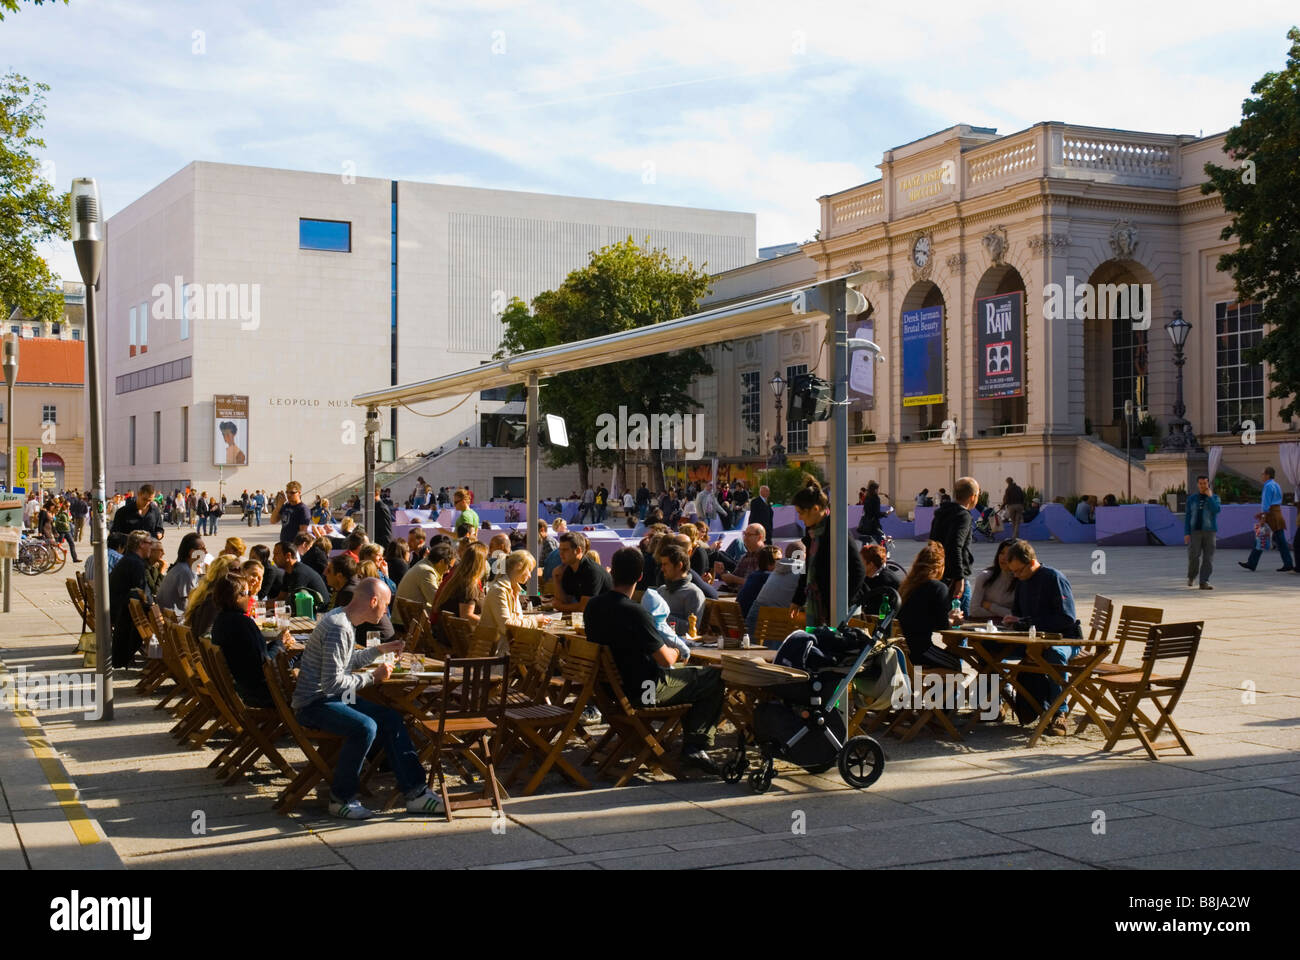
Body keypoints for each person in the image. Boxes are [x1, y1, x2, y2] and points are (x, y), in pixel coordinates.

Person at [291, 579, 442, 819]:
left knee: (390, 717)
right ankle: (340, 799)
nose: (386, 612)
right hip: (315, 703)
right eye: (385, 605)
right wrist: (374, 677)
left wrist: (380, 650)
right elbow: (333, 683)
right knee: (365, 727)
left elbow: (347, 663)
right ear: (373, 601)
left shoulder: (342, 618)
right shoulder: (338, 627)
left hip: (328, 698)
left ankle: (416, 793)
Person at [585, 548, 725, 774]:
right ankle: (695, 746)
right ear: (640, 576)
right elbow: (665, 658)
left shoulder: (593, 607)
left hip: (609, 691)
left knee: (693, 678)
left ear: (613, 573)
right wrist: (677, 652)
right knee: (713, 677)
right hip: (645, 691)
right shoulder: (635, 613)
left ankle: (685, 742)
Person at [1000, 539, 1083, 736]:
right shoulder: (1022, 582)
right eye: (1013, 572)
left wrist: (1027, 621)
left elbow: (1066, 617)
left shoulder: (1053, 578)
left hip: (1065, 639)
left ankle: (1058, 713)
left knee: (1054, 654)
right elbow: (1020, 614)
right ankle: (993, 704)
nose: (1017, 575)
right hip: (1033, 641)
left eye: (1019, 570)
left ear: (1031, 563)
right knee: (991, 651)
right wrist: (1014, 621)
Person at [211, 574, 288, 708]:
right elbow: (265, 665)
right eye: (247, 593)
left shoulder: (220, 621)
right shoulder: (243, 623)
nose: (250, 598)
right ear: (237, 596)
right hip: (261, 693)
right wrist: (280, 643)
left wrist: (277, 643)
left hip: (243, 687)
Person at [896, 541, 964, 669]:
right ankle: (939, 690)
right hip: (921, 650)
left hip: (903, 652)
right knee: (955, 664)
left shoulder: (907, 587)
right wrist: (953, 619)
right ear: (940, 567)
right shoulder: (937, 587)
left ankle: (931, 689)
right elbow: (942, 624)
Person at [480, 550, 550, 653]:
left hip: (506, 648)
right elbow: (507, 626)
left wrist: (536, 620)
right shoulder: (499, 590)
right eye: (529, 570)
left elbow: (515, 620)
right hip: (496, 653)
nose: (530, 576)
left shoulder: (512, 589)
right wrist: (535, 620)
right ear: (519, 567)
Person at [930, 477, 979, 616]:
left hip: (940, 573)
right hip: (954, 576)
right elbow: (955, 546)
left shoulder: (941, 513)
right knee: (959, 621)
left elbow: (933, 544)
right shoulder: (963, 516)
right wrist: (959, 578)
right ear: (973, 497)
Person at [108, 530, 155, 668]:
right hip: (125, 615)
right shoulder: (135, 563)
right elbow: (144, 596)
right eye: (149, 543)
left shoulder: (128, 559)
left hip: (119, 611)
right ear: (141, 544)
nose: (151, 547)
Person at [1239, 466, 1294, 572]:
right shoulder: (1276, 485)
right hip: (1277, 513)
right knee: (1279, 541)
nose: (1261, 476)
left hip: (1270, 515)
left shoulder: (1267, 486)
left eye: (1262, 474)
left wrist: (1263, 516)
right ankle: (1288, 563)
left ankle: (1252, 563)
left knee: (1261, 537)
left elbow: (1266, 503)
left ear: (1267, 475)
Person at [433, 541, 488, 635]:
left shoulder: (457, 578)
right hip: (457, 639)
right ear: (480, 563)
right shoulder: (468, 585)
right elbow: (466, 616)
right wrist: (490, 623)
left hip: (444, 634)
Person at [395, 539, 455, 624]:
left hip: (406, 620)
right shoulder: (427, 571)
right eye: (449, 567)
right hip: (405, 624)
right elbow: (436, 602)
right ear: (441, 562)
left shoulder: (424, 564)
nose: (448, 571)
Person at [550, 532, 612, 612]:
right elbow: (564, 600)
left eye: (565, 550)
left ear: (578, 550)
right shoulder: (569, 569)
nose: (561, 553)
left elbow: (584, 607)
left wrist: (561, 607)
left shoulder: (591, 571)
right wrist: (556, 579)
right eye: (560, 549)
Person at [655, 542, 707, 635]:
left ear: (679, 565)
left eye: (665, 564)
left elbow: (691, 629)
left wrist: (661, 618)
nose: (662, 569)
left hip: (679, 645)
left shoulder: (693, 593)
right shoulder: (661, 590)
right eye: (662, 565)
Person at [1185, 474, 1220, 589]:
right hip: (1195, 531)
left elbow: (1216, 510)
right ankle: (1191, 576)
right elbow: (1188, 516)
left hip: (1210, 531)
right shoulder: (1192, 499)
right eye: (1200, 483)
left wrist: (1210, 497)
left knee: (1208, 557)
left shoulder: (1214, 498)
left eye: (1205, 483)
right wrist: (1187, 532)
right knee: (1193, 556)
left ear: (1208, 484)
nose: (1203, 486)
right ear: (1197, 484)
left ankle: (1204, 581)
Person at [851, 543, 905, 617]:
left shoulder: (886, 581)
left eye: (861, 562)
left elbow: (877, 611)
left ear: (871, 565)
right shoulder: (868, 576)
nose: (859, 565)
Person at [156, 532, 206, 612]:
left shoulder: (181, 567)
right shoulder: (184, 572)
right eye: (202, 548)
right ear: (192, 552)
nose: (206, 552)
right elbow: (188, 604)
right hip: (175, 620)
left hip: (170, 617)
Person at [969, 540, 1018, 620]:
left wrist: (990, 606)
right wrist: (1004, 613)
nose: (1003, 558)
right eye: (1001, 553)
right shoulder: (985, 577)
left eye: (1009, 554)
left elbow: (1018, 615)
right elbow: (974, 610)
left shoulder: (1022, 580)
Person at [275, 540, 328, 606]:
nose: (274, 558)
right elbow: (280, 599)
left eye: (276, 554)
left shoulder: (299, 572)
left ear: (288, 556)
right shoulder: (288, 572)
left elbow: (294, 602)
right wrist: (260, 605)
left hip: (319, 612)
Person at [736, 544, 781, 620]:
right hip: (754, 625)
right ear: (769, 563)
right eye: (779, 560)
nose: (782, 563)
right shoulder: (770, 578)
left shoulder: (753, 575)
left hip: (741, 623)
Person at [718, 524, 766, 590]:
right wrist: (722, 572)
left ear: (759, 537)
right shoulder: (744, 557)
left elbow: (759, 583)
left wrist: (734, 579)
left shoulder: (766, 556)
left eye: (749, 535)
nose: (745, 538)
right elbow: (733, 582)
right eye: (744, 534)